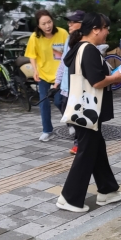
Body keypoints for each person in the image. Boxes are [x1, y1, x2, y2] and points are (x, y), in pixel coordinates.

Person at [57, 13, 121, 213]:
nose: (107, 32)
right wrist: (115, 78)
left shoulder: (80, 47)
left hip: (85, 110)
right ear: (95, 29)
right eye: (105, 28)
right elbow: (96, 81)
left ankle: (107, 190)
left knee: (97, 150)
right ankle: (69, 198)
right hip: (87, 111)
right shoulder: (88, 50)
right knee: (86, 153)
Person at [24, 9, 69, 142]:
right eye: (43, 24)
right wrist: (35, 70)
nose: (47, 26)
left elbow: (69, 53)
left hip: (60, 76)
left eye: (49, 22)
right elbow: (32, 55)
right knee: (44, 103)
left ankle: (71, 123)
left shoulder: (62, 33)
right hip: (43, 74)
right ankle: (47, 131)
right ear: (38, 25)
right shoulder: (35, 37)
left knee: (59, 101)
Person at [54, 10, 84, 155]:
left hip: (77, 85)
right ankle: (74, 131)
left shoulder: (85, 40)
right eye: (69, 22)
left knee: (76, 114)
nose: (69, 25)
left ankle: (78, 142)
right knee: (60, 103)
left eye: (73, 22)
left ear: (82, 24)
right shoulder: (69, 39)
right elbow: (63, 62)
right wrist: (57, 81)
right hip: (66, 84)